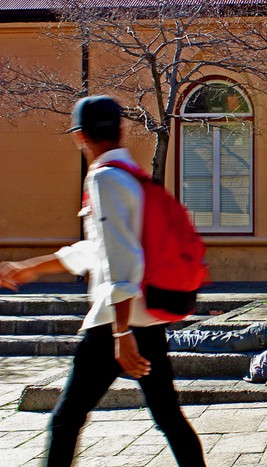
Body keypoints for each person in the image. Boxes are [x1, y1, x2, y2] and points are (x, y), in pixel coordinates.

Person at [0, 96, 205, 467]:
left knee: (66, 420)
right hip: (147, 317)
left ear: (80, 136)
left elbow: (120, 258)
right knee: (169, 418)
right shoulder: (133, 177)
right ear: (121, 130)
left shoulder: (103, 178)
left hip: (115, 322)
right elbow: (100, 249)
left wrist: (121, 334)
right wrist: (36, 266)